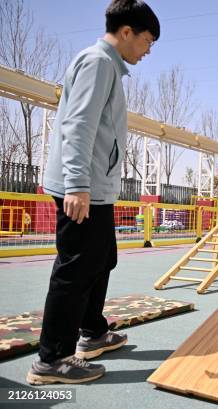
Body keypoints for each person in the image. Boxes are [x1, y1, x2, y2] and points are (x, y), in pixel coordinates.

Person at [28, 0, 160, 385]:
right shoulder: (98, 62)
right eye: (148, 40)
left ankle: (93, 332)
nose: (148, 50)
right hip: (82, 187)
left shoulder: (109, 67)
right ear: (126, 33)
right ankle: (51, 359)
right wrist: (77, 186)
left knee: (102, 260)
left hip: (96, 187)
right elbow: (78, 125)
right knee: (75, 269)